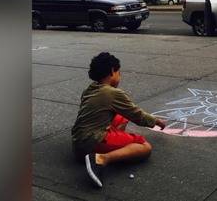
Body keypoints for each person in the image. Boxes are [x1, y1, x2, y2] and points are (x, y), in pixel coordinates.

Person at [71, 52, 166, 188]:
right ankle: (101, 159)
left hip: (78, 141)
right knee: (144, 147)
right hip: (91, 143)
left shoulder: (90, 88)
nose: (119, 77)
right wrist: (156, 121)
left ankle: (109, 146)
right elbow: (136, 115)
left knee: (121, 116)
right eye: (119, 73)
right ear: (112, 72)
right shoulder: (113, 93)